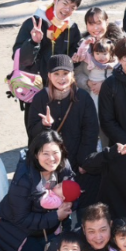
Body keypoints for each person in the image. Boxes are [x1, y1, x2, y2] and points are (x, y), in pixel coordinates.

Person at [26, 56, 99, 209]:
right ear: (49, 76)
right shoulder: (40, 98)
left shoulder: (83, 98)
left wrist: (84, 161)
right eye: (56, 74)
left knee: (83, 204)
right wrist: (44, 126)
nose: (61, 78)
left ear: (72, 75)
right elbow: (31, 132)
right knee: (50, 206)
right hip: (50, 164)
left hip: (77, 162)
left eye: (65, 73)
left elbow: (91, 132)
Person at [12, 0, 83, 97]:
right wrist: (33, 43)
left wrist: (76, 58)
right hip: (35, 85)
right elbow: (20, 58)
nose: (67, 10)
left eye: (72, 7)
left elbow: (74, 53)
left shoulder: (72, 28)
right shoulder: (33, 23)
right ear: (55, 0)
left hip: (61, 85)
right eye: (65, 4)